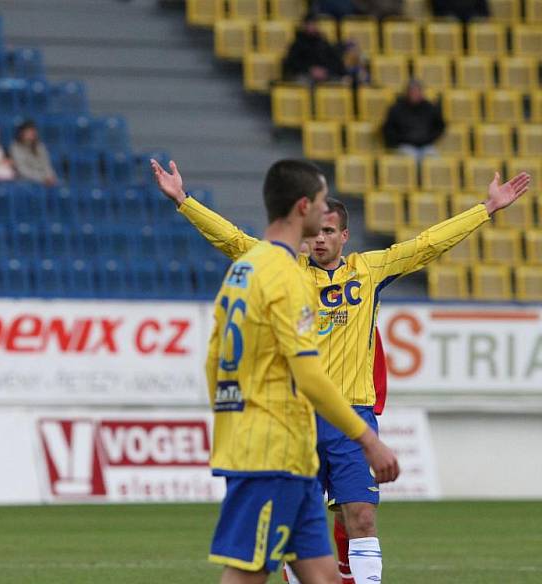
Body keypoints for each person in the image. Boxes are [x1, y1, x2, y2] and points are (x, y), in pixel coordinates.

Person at [152, 158, 530, 584]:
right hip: (301, 420)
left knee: (362, 518)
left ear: (344, 236)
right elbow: (235, 241)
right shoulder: (286, 270)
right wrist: (185, 202)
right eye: (317, 231)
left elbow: (428, 244)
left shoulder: (369, 271)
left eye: (330, 231)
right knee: (299, 533)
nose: (320, 240)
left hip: (353, 416)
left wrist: (485, 209)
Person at [199, 158, 399, 584]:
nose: (327, 217)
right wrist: (367, 439)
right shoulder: (289, 277)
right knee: (248, 571)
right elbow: (309, 377)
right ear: (303, 208)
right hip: (274, 445)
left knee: (323, 575)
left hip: (287, 448)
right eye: (323, 203)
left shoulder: (244, 270)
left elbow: (213, 361)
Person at [382, 80, 446, 163]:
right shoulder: (397, 109)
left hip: (425, 145)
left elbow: (440, 126)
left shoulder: (429, 108)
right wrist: (399, 140)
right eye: (412, 91)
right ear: (407, 92)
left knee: (434, 159)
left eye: (417, 91)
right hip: (405, 145)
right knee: (409, 158)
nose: (414, 94)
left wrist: (429, 139)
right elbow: (388, 128)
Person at [282, 14, 346, 84]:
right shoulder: (297, 44)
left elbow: (334, 60)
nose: (312, 27)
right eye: (309, 24)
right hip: (304, 75)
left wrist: (325, 71)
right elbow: (292, 63)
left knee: (338, 82)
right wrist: (310, 70)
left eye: (314, 24)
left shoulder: (323, 42)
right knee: (303, 82)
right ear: (304, 26)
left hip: (324, 75)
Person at [10, 120, 58, 186]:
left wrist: (50, 176)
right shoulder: (15, 147)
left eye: (33, 131)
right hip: (27, 181)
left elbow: (46, 165)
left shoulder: (40, 146)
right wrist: (42, 178)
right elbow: (22, 170)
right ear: (22, 133)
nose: (31, 133)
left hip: (45, 180)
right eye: (28, 131)